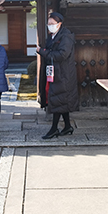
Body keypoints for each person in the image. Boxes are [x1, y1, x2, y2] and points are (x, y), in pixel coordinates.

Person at [37, 11, 79, 139]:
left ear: (59, 24)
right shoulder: (53, 36)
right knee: (61, 100)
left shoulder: (65, 37)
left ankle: (54, 129)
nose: (49, 26)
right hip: (56, 72)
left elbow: (62, 55)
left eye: (52, 23)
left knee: (57, 99)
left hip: (63, 73)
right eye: (48, 24)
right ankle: (67, 127)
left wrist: (42, 52)